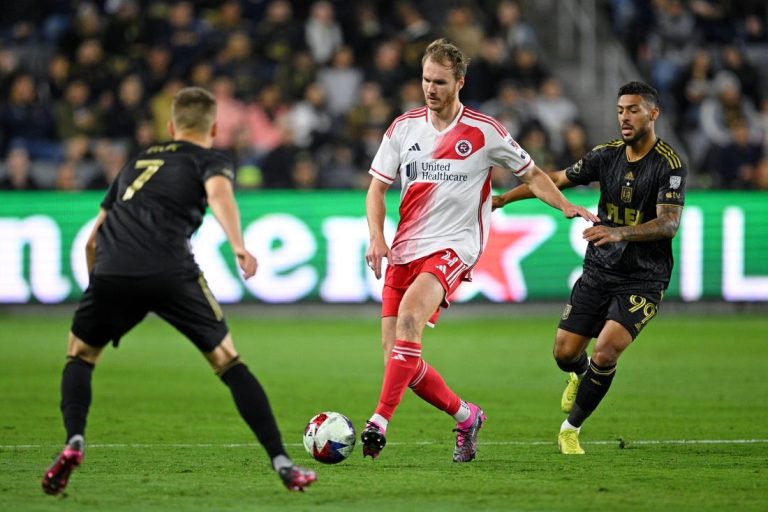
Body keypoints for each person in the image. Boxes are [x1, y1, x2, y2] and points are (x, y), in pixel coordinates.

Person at [41, 87, 316, 494]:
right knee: (228, 362)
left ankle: (74, 441)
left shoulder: (137, 161)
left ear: (170, 127)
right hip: (170, 268)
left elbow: (90, 242)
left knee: (79, 355)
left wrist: (97, 291)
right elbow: (220, 194)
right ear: (215, 128)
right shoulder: (210, 158)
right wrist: (238, 245)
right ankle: (283, 462)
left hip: (112, 270)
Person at [361, 39, 598, 463]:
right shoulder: (403, 128)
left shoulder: (485, 131)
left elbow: (535, 174)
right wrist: (377, 237)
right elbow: (377, 188)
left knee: (411, 320)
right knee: (399, 360)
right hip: (404, 249)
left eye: (439, 82)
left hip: (454, 247)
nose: (430, 89)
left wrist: (565, 205)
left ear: (459, 83)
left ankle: (379, 421)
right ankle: (466, 416)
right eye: (425, 80)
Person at [492, 81, 687, 455]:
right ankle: (579, 375)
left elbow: (668, 224)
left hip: (643, 278)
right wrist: (503, 199)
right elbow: (554, 180)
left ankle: (570, 429)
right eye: (620, 110)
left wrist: (619, 234)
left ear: (653, 113)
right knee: (564, 353)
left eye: (632, 110)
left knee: (606, 351)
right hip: (599, 270)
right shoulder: (606, 155)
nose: (625, 117)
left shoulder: (670, 166)